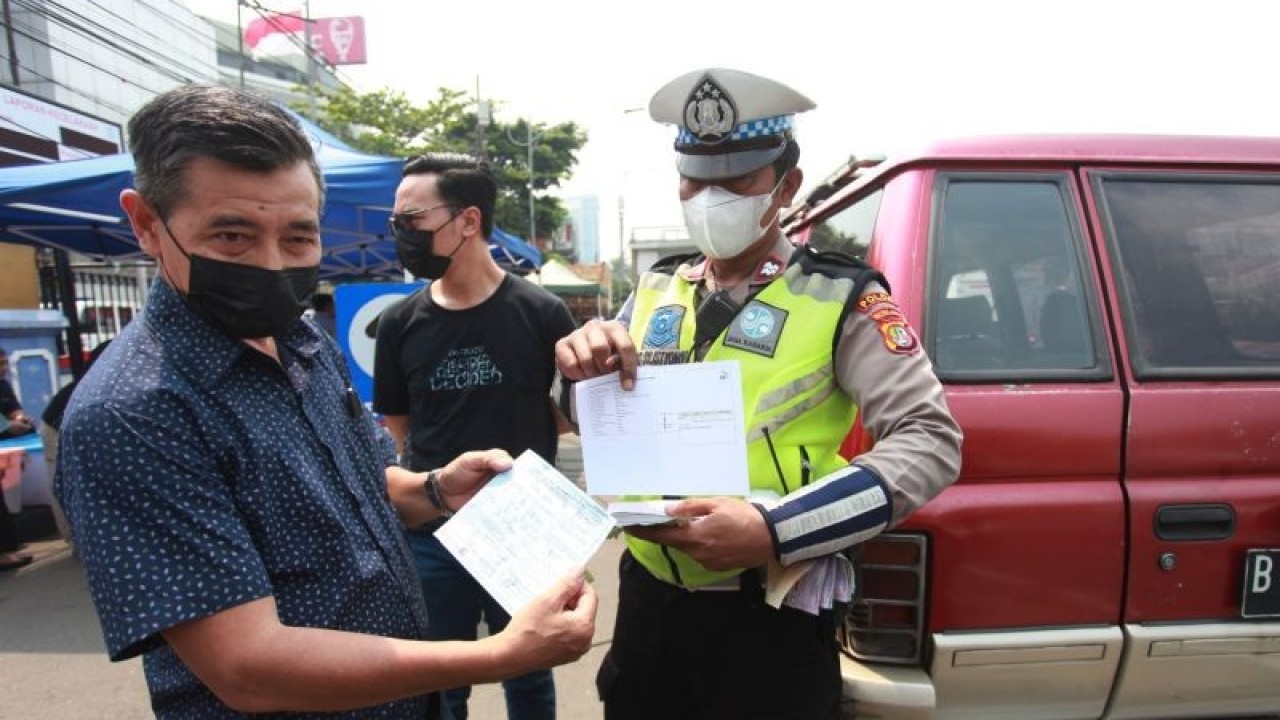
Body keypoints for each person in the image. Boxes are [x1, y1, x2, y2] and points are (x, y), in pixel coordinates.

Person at [54, 84, 596, 719]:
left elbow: (365, 482)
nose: (269, 264)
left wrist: (439, 490)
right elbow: (248, 668)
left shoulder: (302, 339)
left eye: (298, 238)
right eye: (232, 236)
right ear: (147, 223)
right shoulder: (132, 414)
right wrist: (502, 655)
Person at [555, 68, 964, 720]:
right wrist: (575, 374)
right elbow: (588, 417)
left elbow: (931, 441)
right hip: (651, 608)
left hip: (766, 616)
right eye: (695, 180)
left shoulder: (840, 297)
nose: (710, 197)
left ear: (785, 184)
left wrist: (776, 530)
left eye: (736, 181)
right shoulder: (657, 289)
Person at [374, 152, 577, 720]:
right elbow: (400, 430)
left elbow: (564, 415)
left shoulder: (542, 312)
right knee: (439, 680)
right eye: (396, 223)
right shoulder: (398, 323)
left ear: (468, 220)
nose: (401, 235)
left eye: (411, 221)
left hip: (527, 529)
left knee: (529, 675)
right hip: (434, 529)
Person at [39, 340, 112, 547]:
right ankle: (75, 540)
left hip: (78, 424)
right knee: (64, 480)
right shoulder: (109, 368)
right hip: (56, 426)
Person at [0, 348, 35, 439]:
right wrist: (7, 425)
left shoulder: (4, 385)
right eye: (0, 364)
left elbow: (14, 409)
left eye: (5, 363)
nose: (4, 368)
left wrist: (21, 418)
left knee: (29, 428)